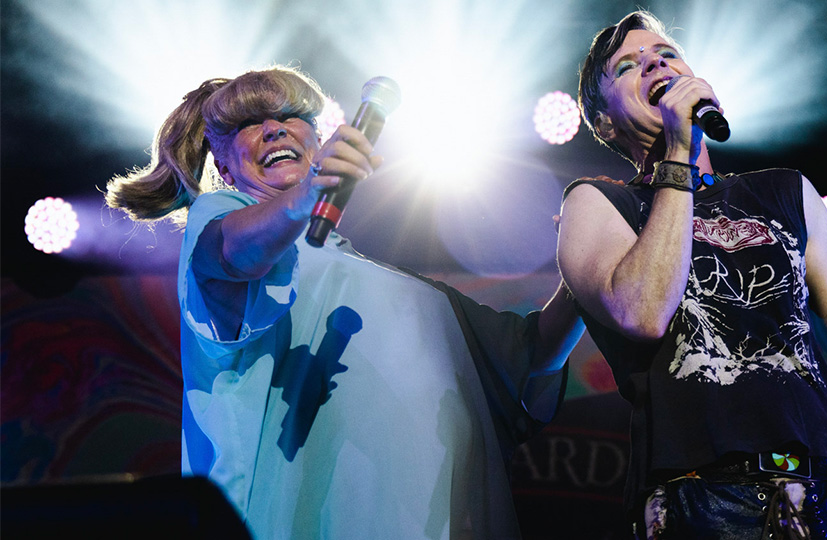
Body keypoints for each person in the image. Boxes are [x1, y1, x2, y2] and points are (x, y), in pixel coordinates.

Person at [105, 65, 584, 539]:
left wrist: (589, 264)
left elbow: (534, 355)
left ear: (315, 138)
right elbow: (235, 253)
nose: (274, 128)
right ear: (224, 165)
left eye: (292, 116)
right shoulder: (223, 222)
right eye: (248, 124)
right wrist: (311, 189)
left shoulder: (411, 294)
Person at [556, 10, 827, 540]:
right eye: (628, 65)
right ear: (604, 123)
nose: (653, 62)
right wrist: (676, 151)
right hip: (704, 499)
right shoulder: (599, 204)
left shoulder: (786, 190)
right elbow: (642, 313)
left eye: (666, 55)